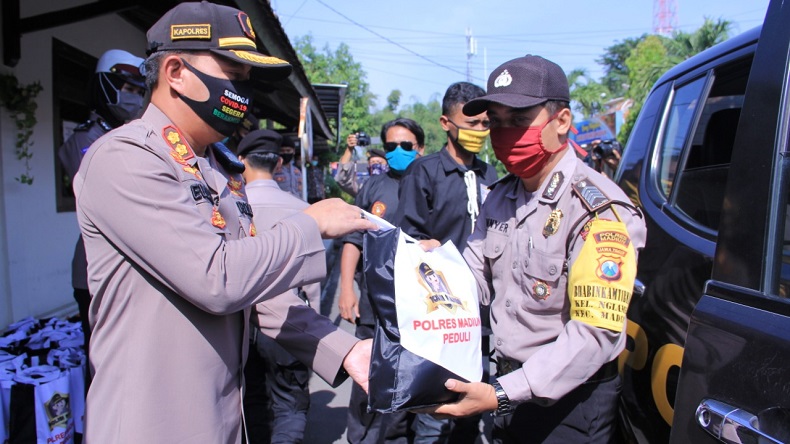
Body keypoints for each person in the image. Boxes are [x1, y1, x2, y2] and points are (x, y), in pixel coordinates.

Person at [71, 3, 377, 443]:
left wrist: (345, 349)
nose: (242, 93)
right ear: (175, 70)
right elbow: (217, 279)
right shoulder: (125, 158)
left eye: (246, 81)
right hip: (151, 425)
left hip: (224, 420)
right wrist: (310, 225)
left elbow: (259, 289)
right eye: (233, 75)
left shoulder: (217, 166)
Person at [425, 55, 647, 444]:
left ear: (561, 121)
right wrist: (429, 266)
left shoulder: (598, 212)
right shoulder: (500, 197)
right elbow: (472, 277)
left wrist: (502, 394)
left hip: (570, 401)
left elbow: (595, 334)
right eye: (497, 121)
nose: (505, 133)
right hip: (507, 389)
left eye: (519, 119)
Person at [392, 81, 498, 443]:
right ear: (445, 123)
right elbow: (406, 240)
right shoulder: (424, 173)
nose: (479, 131)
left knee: (473, 409)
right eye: (471, 124)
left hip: (481, 313)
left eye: (485, 124)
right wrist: (427, 246)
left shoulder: (489, 175)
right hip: (440, 313)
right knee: (436, 412)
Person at [57, 48, 147, 373]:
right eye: (128, 89)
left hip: (133, 269)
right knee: (107, 366)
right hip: (98, 272)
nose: (135, 99)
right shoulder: (86, 137)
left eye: (139, 92)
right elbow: (118, 197)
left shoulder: (130, 136)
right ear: (106, 85)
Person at [338, 118, 425, 444]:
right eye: (391, 146)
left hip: (419, 308)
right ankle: (361, 438)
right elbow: (353, 240)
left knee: (413, 381)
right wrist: (347, 288)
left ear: (420, 148)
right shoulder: (372, 188)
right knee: (368, 379)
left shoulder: (430, 186)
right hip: (375, 305)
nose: (398, 151)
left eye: (406, 146)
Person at [237, 129, 321, 443]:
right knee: (290, 403)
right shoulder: (303, 209)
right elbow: (311, 283)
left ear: (241, 161)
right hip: (289, 320)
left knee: (252, 399)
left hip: (241, 322)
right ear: (281, 164)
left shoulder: (231, 207)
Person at [273, 134, 304, 199]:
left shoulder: (297, 171)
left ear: (293, 151)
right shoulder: (273, 170)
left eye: (288, 151)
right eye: (282, 151)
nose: (285, 153)